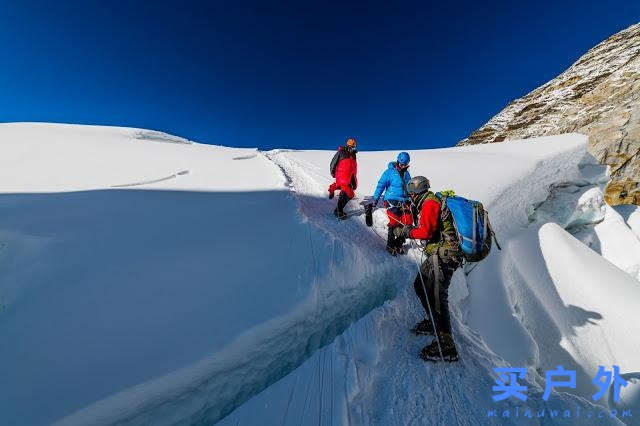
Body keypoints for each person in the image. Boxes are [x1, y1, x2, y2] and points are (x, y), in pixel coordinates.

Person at [394, 176, 462, 362]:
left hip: (444, 255)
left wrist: (407, 232)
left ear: (416, 193)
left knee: (437, 296)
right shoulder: (429, 202)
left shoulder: (430, 203)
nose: (410, 198)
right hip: (438, 253)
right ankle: (434, 324)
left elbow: (426, 232)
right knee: (420, 285)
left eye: (411, 194)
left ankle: (447, 346)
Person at [371, 152, 412, 255]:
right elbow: (381, 184)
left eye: (405, 164)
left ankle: (398, 244)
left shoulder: (407, 174)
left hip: (405, 201)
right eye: (401, 164)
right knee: (395, 221)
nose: (403, 166)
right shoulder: (389, 172)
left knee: (408, 222)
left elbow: (410, 187)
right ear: (398, 161)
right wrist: (376, 198)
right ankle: (390, 245)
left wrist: (411, 198)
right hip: (391, 200)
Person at [329, 137, 358, 219]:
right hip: (341, 175)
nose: (353, 148)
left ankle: (331, 189)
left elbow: (353, 170)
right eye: (352, 147)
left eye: (354, 147)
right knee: (347, 192)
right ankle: (338, 211)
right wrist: (332, 172)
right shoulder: (341, 152)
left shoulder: (353, 155)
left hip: (348, 178)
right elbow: (333, 162)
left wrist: (354, 181)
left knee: (347, 191)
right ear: (348, 146)